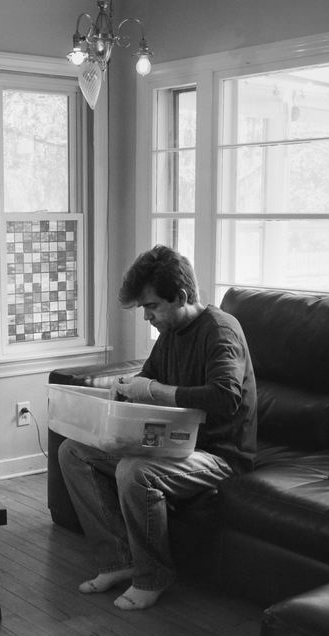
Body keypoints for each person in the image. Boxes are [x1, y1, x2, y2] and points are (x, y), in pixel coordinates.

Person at [58, 245, 257, 611]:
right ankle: (120, 561)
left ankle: (153, 577)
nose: (147, 316)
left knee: (135, 472)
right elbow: (148, 377)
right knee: (74, 451)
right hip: (174, 441)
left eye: (152, 306)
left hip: (218, 454)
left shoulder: (220, 331)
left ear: (180, 296)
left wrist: (156, 391)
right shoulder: (170, 333)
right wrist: (125, 389)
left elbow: (225, 397)